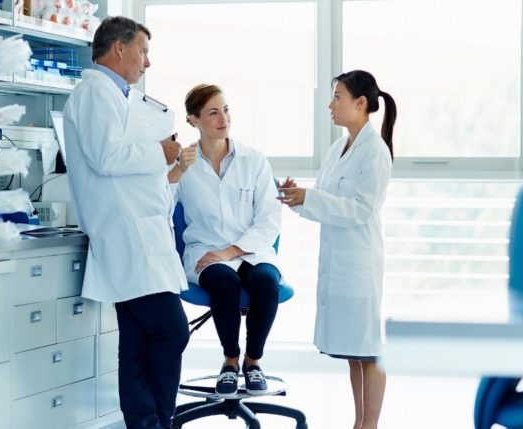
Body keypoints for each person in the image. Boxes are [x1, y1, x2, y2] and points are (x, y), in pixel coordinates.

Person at [62, 16, 189, 429]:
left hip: (137, 232)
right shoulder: (95, 93)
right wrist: (161, 152)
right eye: (144, 51)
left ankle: (146, 423)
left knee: (135, 342)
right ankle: (156, 421)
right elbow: (106, 156)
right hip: (125, 234)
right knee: (171, 330)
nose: (147, 63)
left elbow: (122, 156)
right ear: (120, 49)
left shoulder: (117, 96)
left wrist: (162, 163)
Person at [278, 70, 396, 429]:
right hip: (338, 261)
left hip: (359, 263)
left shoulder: (374, 152)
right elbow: (327, 198)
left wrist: (311, 198)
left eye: (337, 96)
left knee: (370, 349)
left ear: (360, 104)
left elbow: (361, 208)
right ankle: (359, 422)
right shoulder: (338, 147)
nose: (330, 104)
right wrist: (298, 198)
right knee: (353, 350)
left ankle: (369, 425)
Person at [168, 84, 282, 398]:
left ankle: (253, 361)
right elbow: (159, 206)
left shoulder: (254, 160)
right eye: (213, 112)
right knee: (223, 282)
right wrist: (177, 171)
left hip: (249, 249)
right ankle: (230, 360)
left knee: (265, 283)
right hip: (204, 251)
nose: (224, 119)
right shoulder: (185, 164)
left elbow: (270, 218)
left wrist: (231, 250)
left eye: (226, 110)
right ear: (193, 119)